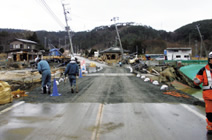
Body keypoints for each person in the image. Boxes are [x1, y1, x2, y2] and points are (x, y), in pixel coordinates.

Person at [194, 52, 212, 134]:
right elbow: (197, 80)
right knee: (210, 114)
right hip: (208, 97)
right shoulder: (203, 70)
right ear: (209, 60)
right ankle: (210, 127)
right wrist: (197, 81)